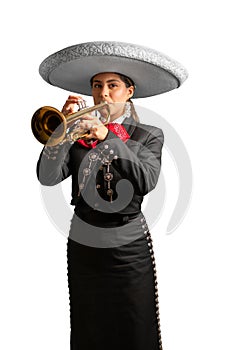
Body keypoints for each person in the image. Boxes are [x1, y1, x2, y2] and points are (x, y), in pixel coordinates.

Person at [36, 41, 188, 350]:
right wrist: (59, 134)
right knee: (88, 327)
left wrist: (107, 137)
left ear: (129, 91)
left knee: (135, 325)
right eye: (97, 86)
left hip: (128, 247)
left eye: (112, 85)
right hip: (83, 244)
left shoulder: (148, 135)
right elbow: (47, 177)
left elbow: (146, 180)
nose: (103, 94)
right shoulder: (76, 133)